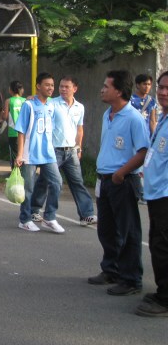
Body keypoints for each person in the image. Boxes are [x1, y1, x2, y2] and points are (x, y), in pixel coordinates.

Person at [88, 70, 149, 296]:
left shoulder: (133, 118)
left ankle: (131, 279)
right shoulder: (108, 114)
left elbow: (143, 151)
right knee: (107, 229)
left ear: (119, 91)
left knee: (128, 231)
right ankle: (111, 269)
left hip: (122, 181)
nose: (102, 89)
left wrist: (121, 173)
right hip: (104, 180)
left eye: (107, 86)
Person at [30, 76, 97, 226]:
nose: (63, 89)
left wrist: (78, 147)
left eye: (67, 87)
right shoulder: (52, 103)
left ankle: (86, 215)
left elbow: (79, 129)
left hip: (71, 151)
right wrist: (31, 98)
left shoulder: (79, 107)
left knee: (77, 182)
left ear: (75, 89)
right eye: (61, 86)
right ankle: (34, 210)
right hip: (54, 151)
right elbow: (38, 103)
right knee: (45, 181)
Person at [14, 72, 64, 233]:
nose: (51, 88)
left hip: (48, 153)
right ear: (38, 86)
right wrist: (20, 154)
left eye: (52, 85)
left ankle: (49, 217)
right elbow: (21, 131)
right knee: (28, 188)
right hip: (30, 153)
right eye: (47, 85)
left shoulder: (51, 105)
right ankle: (25, 220)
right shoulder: (28, 105)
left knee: (57, 182)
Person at [135, 70, 168, 317]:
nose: (163, 92)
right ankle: (162, 291)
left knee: (163, 246)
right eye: (161, 87)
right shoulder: (164, 118)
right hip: (156, 194)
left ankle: (165, 299)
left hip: (165, 195)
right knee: (158, 244)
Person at [2, 81, 25, 168]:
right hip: (24, 131)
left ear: (11, 90)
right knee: (23, 152)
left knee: (14, 153)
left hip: (13, 131)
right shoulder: (25, 100)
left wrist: (2, 114)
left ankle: (15, 171)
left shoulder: (8, 101)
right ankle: (23, 171)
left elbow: (5, 116)